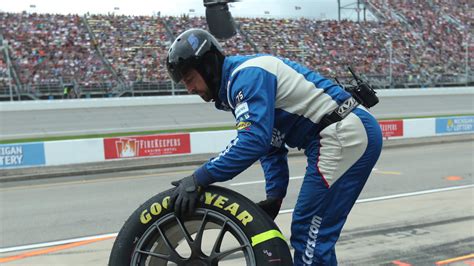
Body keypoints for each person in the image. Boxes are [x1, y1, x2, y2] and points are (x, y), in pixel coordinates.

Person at [166, 28, 383, 265]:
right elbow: (271, 147)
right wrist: (275, 197)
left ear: (207, 66)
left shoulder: (246, 76)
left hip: (343, 133)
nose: (189, 89)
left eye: (189, 79)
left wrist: (199, 177)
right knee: (311, 233)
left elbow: (252, 142)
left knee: (309, 230)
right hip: (337, 133)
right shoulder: (236, 85)